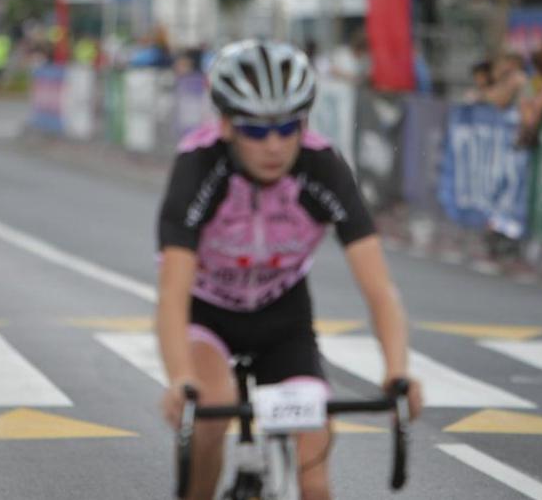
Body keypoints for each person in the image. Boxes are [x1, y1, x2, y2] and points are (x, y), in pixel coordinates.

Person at [155, 40, 423, 500]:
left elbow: (380, 289)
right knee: (211, 412)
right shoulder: (198, 167)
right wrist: (181, 376)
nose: (274, 145)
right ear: (226, 126)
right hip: (208, 313)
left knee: (315, 474)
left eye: (287, 127)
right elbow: (172, 293)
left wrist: (398, 371)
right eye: (255, 131)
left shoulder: (323, 168)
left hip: (283, 318)